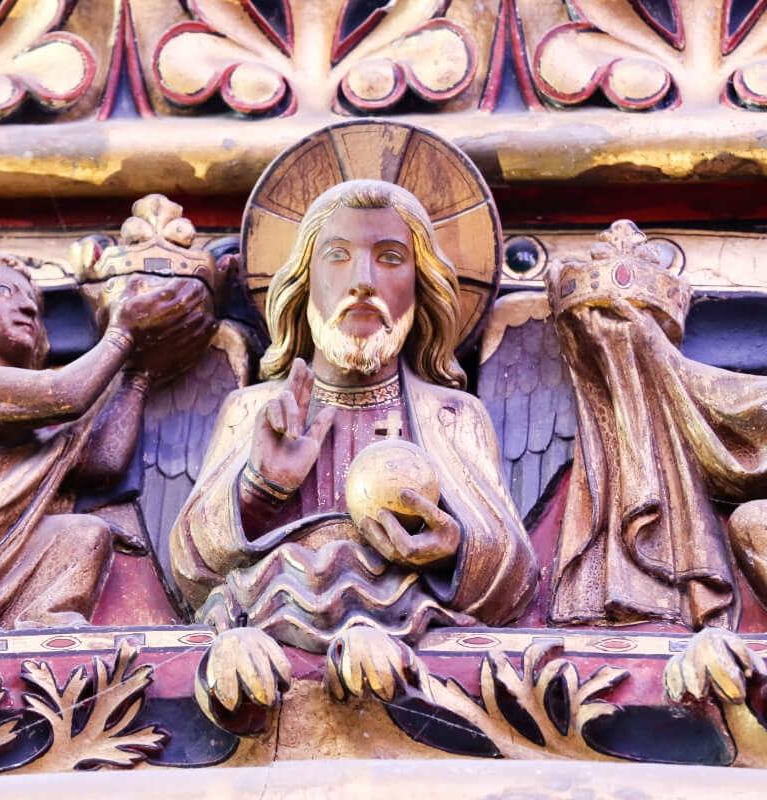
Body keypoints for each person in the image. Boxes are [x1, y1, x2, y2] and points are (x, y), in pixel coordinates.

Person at [170, 180, 537, 653]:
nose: (362, 280)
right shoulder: (252, 411)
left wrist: (455, 548)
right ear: (304, 284)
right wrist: (260, 489)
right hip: (264, 628)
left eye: (389, 258)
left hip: (412, 636)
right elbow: (190, 565)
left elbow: (514, 574)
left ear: (421, 286)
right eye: (338, 255)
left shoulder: (452, 415)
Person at [0, 252, 213, 628]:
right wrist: (123, 333)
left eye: (32, 301)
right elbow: (63, 393)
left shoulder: (25, 431)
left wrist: (139, 376)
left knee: (84, 533)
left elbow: (101, 463)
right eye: (2, 290)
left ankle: (43, 624)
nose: (27, 308)